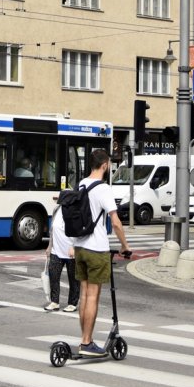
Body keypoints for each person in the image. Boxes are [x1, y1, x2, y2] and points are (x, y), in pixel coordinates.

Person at [69, 148, 130, 357]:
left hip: (80, 248)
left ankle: (84, 339)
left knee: (84, 295)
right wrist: (125, 246)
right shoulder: (103, 189)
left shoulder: (80, 184)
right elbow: (115, 222)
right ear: (105, 165)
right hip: (96, 249)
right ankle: (87, 342)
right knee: (93, 295)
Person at [44, 204, 80, 313]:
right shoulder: (57, 209)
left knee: (73, 279)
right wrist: (50, 246)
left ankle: (72, 303)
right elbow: (52, 230)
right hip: (56, 250)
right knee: (53, 275)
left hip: (71, 252)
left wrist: (74, 247)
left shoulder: (77, 210)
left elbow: (80, 231)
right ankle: (54, 302)